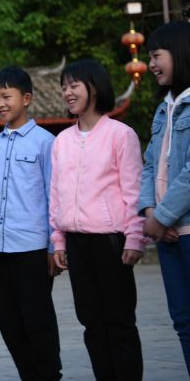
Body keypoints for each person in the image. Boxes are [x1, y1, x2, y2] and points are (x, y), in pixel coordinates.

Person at [49, 58, 146, 381]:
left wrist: (135, 237)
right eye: (64, 87)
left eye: (74, 85)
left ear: (95, 87)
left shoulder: (121, 134)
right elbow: (56, 195)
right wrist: (58, 240)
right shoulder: (61, 141)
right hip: (76, 242)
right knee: (90, 321)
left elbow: (133, 190)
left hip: (110, 241)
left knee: (119, 322)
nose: (68, 92)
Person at [0, 65, 62, 381]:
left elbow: (53, 194)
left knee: (37, 322)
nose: (1, 103)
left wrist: (54, 246)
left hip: (32, 249)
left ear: (26, 98)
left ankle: (48, 376)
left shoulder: (46, 142)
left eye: (7, 96)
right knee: (10, 325)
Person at [138, 21, 190, 375]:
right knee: (183, 322)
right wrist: (149, 211)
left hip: (183, 229)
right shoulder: (164, 108)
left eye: (157, 56)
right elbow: (149, 165)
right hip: (166, 232)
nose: (151, 65)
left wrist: (163, 217)